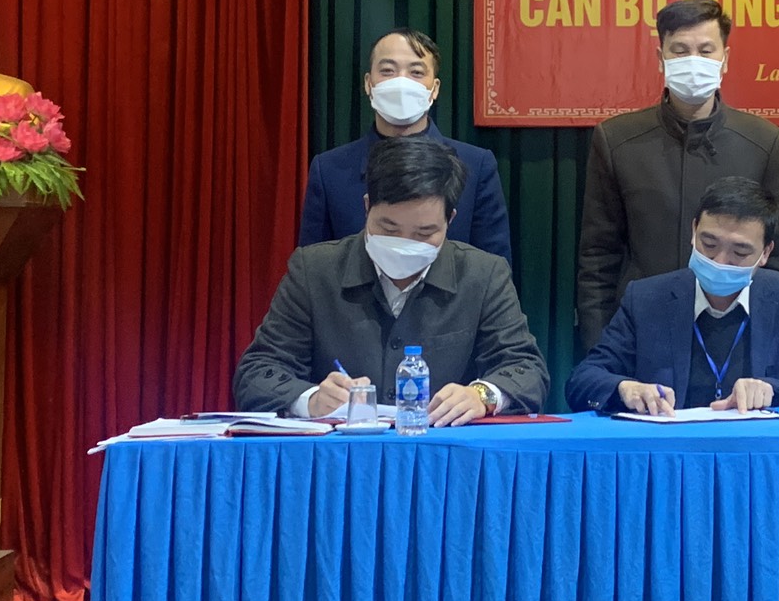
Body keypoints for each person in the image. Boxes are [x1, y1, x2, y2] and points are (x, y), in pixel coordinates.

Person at [234, 136, 546, 425]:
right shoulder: (314, 270)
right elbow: (257, 372)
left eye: (424, 233)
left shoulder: (483, 274)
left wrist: (481, 395)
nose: (404, 244)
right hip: (340, 453)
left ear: (450, 220)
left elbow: (527, 370)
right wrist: (310, 400)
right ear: (367, 206)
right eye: (389, 229)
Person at [575, 0, 779, 349]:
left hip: (736, 335)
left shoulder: (763, 141)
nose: (693, 61)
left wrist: (773, 346)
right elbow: (598, 259)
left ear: (725, 58)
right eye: (680, 50)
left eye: (706, 50)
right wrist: (599, 351)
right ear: (660, 57)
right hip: (642, 335)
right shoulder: (617, 140)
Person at [566, 178, 779, 414]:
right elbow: (583, 381)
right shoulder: (646, 300)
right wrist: (625, 389)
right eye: (709, 244)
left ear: (765, 253)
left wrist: (773, 391)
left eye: (740, 252)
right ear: (693, 231)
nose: (720, 261)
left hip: (759, 453)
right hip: (671, 451)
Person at [299, 28, 514, 262]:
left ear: (434, 89)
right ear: (368, 83)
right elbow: (313, 266)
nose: (401, 81)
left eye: (416, 72)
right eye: (387, 71)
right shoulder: (329, 170)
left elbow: (494, 269)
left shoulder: (476, 165)